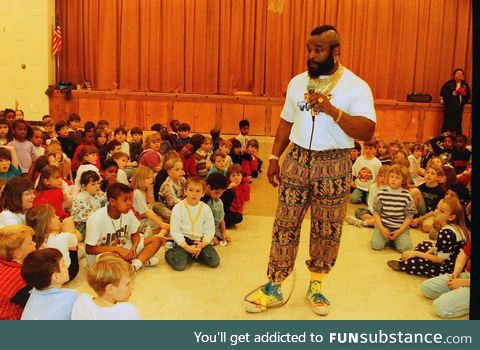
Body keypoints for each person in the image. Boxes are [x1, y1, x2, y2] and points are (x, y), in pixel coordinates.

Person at [245, 25, 375, 316]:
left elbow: (367, 130)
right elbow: (285, 120)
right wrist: (275, 156)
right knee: (284, 224)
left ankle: (316, 285)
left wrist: (333, 111)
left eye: (318, 50)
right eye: (309, 49)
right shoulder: (297, 83)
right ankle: (274, 284)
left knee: (326, 229)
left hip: (335, 162)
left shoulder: (356, 86)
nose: (312, 55)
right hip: (298, 159)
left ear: (335, 51)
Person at [85, 182, 162, 271]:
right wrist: (117, 249)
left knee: (156, 240)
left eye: (130, 199)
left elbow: (135, 233)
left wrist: (134, 247)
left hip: (124, 248)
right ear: (112, 201)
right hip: (105, 254)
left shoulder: (127, 212)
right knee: (108, 260)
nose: (129, 203)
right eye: (125, 200)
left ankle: (135, 265)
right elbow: (89, 249)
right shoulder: (96, 219)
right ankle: (139, 262)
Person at [387, 197, 469, 277]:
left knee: (413, 262)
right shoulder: (453, 227)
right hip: (449, 259)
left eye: (442, 211)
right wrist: (422, 254)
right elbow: (438, 247)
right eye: (437, 208)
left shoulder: (447, 233)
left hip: (447, 269)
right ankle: (412, 257)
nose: (436, 212)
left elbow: (440, 260)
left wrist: (416, 254)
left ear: (451, 217)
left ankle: (404, 264)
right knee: (424, 244)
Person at [166, 176, 219, 271]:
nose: (194, 194)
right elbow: (175, 230)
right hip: (184, 241)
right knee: (179, 266)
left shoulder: (206, 209)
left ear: (203, 193)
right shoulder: (178, 208)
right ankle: (170, 250)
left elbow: (210, 230)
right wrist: (186, 247)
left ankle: (192, 254)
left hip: (199, 241)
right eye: (191, 190)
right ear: (185, 191)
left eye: (198, 191)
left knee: (214, 261)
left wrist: (203, 243)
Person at [71, 255, 140, 320]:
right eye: (127, 284)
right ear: (110, 289)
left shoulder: (82, 301)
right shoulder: (128, 313)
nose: (132, 286)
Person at [20, 248, 79, 320]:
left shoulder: (35, 291)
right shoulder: (71, 297)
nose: (66, 266)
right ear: (56, 277)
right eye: (63, 265)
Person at [26, 204, 80, 281]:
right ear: (46, 224)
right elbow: (78, 238)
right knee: (68, 222)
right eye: (54, 216)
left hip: (47, 277)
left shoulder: (33, 240)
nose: (58, 217)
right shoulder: (62, 238)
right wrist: (71, 233)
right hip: (68, 272)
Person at [371, 165, 416, 252]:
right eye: (391, 177)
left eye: (397, 178)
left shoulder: (407, 195)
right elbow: (376, 213)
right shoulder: (380, 193)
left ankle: (394, 239)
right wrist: (382, 229)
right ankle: (388, 238)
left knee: (405, 248)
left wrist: (399, 231)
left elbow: (409, 217)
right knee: (376, 246)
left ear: (403, 180)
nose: (393, 179)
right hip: (383, 227)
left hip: (400, 228)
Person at [420, 240, 471, 318]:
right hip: (467, 275)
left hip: (466, 281)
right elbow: (464, 253)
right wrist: (456, 272)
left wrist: (463, 283)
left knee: (440, 307)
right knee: (426, 287)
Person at [0, 225, 36, 320]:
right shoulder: (22, 277)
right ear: (18, 253)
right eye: (30, 243)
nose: (35, 244)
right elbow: (34, 306)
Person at [350, 140, 381, 205]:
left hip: (370, 188)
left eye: (370, 148)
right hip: (359, 186)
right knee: (353, 200)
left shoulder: (377, 163)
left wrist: (374, 188)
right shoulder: (359, 160)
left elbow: (378, 177)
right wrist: (351, 181)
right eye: (366, 148)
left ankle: (365, 197)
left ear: (375, 149)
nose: (368, 150)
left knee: (370, 203)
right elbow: (353, 172)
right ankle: (362, 196)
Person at [440, 68, 470, 135]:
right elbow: (443, 94)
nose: (460, 75)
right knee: (447, 123)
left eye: (461, 74)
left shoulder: (465, 84)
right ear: (454, 75)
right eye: (458, 73)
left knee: (458, 123)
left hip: (459, 107)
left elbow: (468, 95)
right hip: (450, 108)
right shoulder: (448, 84)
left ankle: (458, 140)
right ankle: (443, 139)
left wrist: (463, 102)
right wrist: (451, 94)